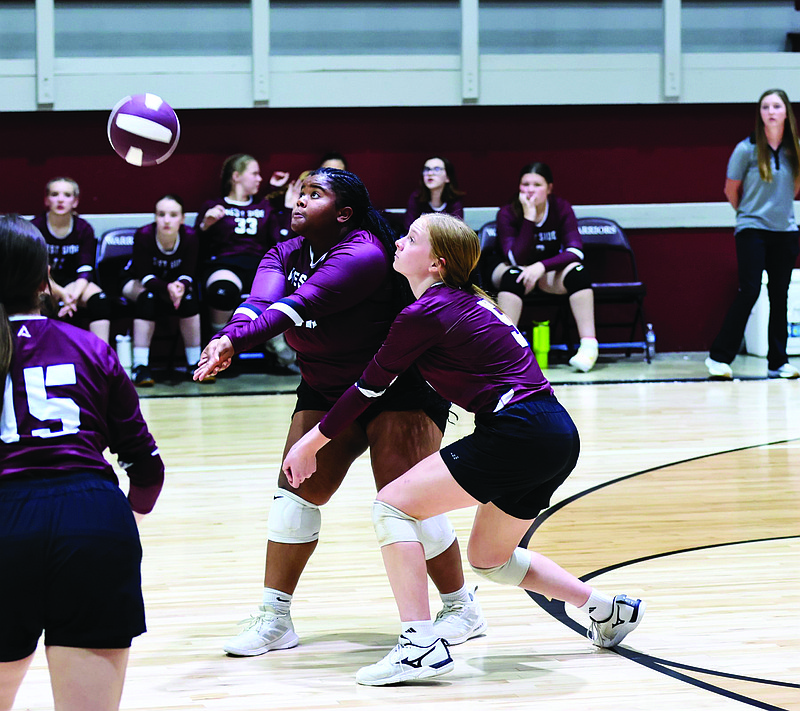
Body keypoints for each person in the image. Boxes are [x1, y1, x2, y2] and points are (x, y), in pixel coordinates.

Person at [283, 213, 645, 686]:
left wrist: (312, 441)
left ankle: (418, 644)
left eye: (410, 238)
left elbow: (369, 387)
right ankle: (606, 609)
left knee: (392, 507)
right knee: (491, 559)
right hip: (553, 432)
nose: (398, 241)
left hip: (518, 429)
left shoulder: (426, 312)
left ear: (435, 263)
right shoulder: (467, 301)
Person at [194, 168, 485, 657]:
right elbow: (256, 305)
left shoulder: (365, 253)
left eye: (315, 195)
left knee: (405, 500)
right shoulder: (282, 251)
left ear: (344, 213)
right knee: (294, 495)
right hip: (326, 386)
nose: (300, 201)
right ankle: (274, 618)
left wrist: (233, 341)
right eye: (299, 192)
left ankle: (461, 608)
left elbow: (295, 306)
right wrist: (229, 334)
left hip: (399, 388)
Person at [0, 215, 165, 710]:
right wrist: (120, 518)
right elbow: (147, 468)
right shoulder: (90, 346)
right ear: (44, 278)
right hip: (93, 521)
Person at [706, 88, 800, 380]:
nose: (770, 112)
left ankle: (778, 362)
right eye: (764, 107)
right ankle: (719, 358)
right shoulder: (745, 149)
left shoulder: (794, 148)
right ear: (759, 114)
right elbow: (730, 189)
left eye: (776, 106)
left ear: (786, 112)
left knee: (780, 294)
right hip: (752, 230)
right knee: (750, 290)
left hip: (785, 231)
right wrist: (748, 213)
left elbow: (794, 188)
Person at [493, 162, 599, 373]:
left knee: (578, 272)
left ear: (549, 188)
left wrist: (541, 266)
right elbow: (514, 257)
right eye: (525, 184)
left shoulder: (561, 207)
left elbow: (576, 251)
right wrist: (529, 217)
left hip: (548, 272)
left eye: (537, 184)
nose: (530, 189)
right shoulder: (507, 212)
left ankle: (589, 346)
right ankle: (505, 352)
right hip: (514, 269)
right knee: (512, 275)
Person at [196, 153, 296, 371]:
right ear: (237, 176)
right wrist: (206, 225)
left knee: (277, 291)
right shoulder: (214, 206)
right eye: (254, 174)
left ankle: (277, 347)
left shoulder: (263, 206)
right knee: (222, 292)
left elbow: (280, 241)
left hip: (259, 265)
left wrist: (283, 201)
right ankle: (220, 349)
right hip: (225, 264)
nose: (259, 179)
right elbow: (196, 247)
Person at [121, 195, 205, 387]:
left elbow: (189, 272)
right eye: (161, 214)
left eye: (173, 215)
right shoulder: (144, 235)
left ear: (182, 218)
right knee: (147, 298)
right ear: (155, 217)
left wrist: (181, 286)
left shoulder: (190, 237)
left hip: (173, 285)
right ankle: (140, 366)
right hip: (136, 281)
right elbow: (144, 275)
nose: (167, 220)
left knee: (190, 298)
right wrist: (168, 288)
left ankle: (195, 363)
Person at [30, 177, 112, 344]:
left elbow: (85, 269)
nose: (60, 199)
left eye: (67, 195)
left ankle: (102, 357)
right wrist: (62, 293)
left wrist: (72, 295)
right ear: (46, 200)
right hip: (43, 282)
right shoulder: (35, 227)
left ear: (75, 201)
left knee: (100, 301)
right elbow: (36, 271)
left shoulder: (84, 229)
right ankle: (41, 353)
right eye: (54, 194)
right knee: (41, 300)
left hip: (75, 283)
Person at [403, 156, 465, 233]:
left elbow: (457, 231)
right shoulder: (416, 198)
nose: (430, 173)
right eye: (427, 169)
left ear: (447, 178)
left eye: (437, 169)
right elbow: (408, 227)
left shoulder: (455, 200)